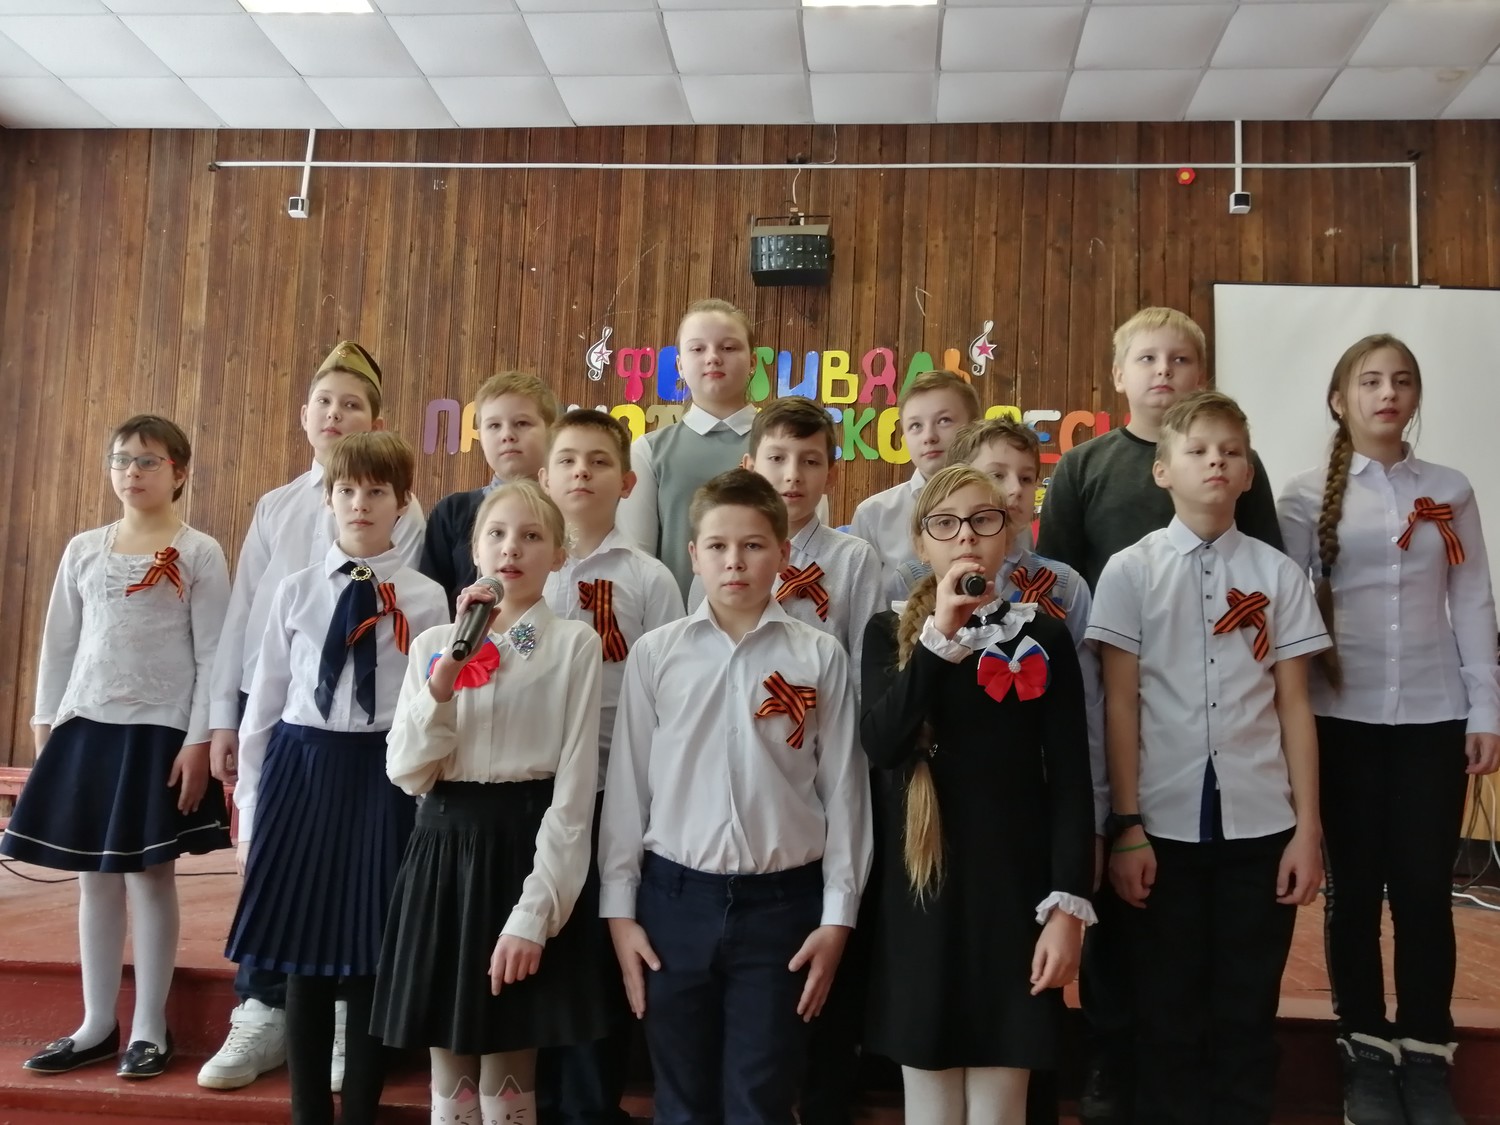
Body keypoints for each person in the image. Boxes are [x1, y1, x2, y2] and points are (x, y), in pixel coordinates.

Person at [1034, 307, 1283, 1122]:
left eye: (1180, 359)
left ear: (1201, 374)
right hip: (1110, 699)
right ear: (1119, 374)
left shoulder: (1239, 468)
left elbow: (1266, 583)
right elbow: (1054, 586)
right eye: (1148, 358)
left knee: (1200, 941)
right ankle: (1111, 1060)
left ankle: (1208, 1077)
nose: (1164, 371)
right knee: (1120, 904)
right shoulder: (1086, 466)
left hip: (1214, 722)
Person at [600, 468, 872, 1125]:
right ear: (693, 554)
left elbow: (844, 790)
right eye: (718, 546)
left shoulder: (819, 655)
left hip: (783, 906)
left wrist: (838, 917)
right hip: (673, 902)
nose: (735, 561)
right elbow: (629, 787)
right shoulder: (657, 654)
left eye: (753, 545)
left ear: (782, 553)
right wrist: (620, 910)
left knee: (763, 1100)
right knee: (680, 1102)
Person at [1088, 390, 1329, 1125]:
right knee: (1167, 1010)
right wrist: (1126, 825)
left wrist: (1307, 829)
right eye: (1197, 450)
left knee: (1246, 1009)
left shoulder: (1277, 575)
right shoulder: (1130, 571)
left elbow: (1294, 705)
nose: (1216, 462)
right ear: (1163, 470)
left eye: (1231, 452)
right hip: (1162, 825)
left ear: (1248, 474)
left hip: (1260, 825)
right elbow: (1120, 704)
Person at [1277, 334, 1500, 1125]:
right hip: (1340, 719)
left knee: (1423, 893)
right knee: (1353, 895)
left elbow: (1472, 598)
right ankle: (1365, 1051)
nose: (1387, 393)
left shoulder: (1450, 488)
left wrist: (1485, 707)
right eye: (1369, 381)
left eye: (1401, 380)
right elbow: (1288, 612)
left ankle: (1427, 1053)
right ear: (1340, 400)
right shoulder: (1304, 497)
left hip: (1434, 715)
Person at [201, 340, 426, 1092]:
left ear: (376, 421)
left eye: (352, 404)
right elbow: (249, 622)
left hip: (373, 739)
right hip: (293, 726)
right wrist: (224, 716)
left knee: (362, 893)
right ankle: (261, 1010)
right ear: (305, 415)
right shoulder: (276, 507)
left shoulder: (403, 515)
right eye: (325, 401)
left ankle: (349, 1028)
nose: (336, 414)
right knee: (283, 881)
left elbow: (406, 619)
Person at [224, 432, 448, 1125]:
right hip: (302, 771)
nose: (360, 503)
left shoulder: (426, 597)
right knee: (303, 951)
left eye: (377, 491)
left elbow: (434, 705)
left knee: (372, 953)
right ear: (328, 498)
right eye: (346, 490)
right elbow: (264, 703)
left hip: (385, 777)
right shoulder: (295, 591)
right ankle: (307, 1113)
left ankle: (359, 1112)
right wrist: (249, 811)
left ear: (402, 502)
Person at [860, 463, 1093, 1125]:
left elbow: (1070, 780)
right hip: (920, 896)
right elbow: (882, 743)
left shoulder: (1041, 636)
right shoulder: (887, 634)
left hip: (1012, 898)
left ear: (1008, 533)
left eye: (983, 520)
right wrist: (939, 638)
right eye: (946, 523)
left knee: (1000, 1107)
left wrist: (1067, 909)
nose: (966, 535)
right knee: (931, 1107)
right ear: (921, 542)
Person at [373, 480, 610, 1125]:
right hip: (443, 855)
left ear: (558, 554)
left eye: (532, 537)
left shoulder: (573, 645)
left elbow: (573, 793)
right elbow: (406, 771)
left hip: (524, 852)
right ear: (475, 549)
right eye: (497, 535)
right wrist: (444, 681)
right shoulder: (434, 644)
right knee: (448, 1065)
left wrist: (536, 913)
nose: (512, 549)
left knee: (510, 1064)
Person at [3, 414, 232, 1080]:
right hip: (86, 728)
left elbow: (214, 656)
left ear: (179, 473)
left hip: (161, 734)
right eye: (122, 459)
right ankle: (96, 1023)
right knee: (93, 877)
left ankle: (151, 1027)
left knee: (150, 875)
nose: (133, 472)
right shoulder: (84, 549)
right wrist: (46, 727)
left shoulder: (199, 552)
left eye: (149, 461)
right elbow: (59, 645)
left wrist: (197, 741)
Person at [537, 408, 685, 1125]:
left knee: (598, 949)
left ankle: (592, 1104)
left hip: (612, 788)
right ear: (544, 476)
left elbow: (672, 695)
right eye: (567, 460)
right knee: (541, 939)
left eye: (599, 461)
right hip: (533, 788)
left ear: (626, 482)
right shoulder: (522, 563)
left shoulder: (649, 578)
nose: (582, 473)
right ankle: (535, 1099)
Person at [616, 298, 759, 598]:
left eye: (728, 347)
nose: (713, 358)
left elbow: (807, 546)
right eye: (697, 349)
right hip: (674, 621)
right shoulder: (649, 452)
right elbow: (636, 562)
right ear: (680, 365)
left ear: (753, 362)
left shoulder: (787, 446)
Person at [421, 371, 558, 613]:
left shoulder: (567, 509)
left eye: (522, 423)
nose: (507, 435)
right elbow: (431, 603)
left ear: (551, 431)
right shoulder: (453, 511)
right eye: (494, 425)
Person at [850, 371, 982, 603]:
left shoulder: (999, 508)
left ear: (974, 427)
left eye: (944, 421)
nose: (929, 437)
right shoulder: (873, 515)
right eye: (915, 426)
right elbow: (861, 604)